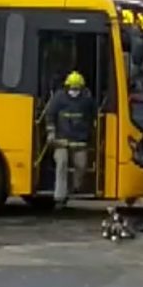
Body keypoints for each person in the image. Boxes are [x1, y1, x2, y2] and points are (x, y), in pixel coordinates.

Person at [46, 71, 96, 208]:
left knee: (82, 165)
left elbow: (93, 117)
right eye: (72, 88)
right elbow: (50, 116)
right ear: (67, 87)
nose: (74, 91)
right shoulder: (58, 98)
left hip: (80, 142)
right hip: (61, 142)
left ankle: (74, 187)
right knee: (61, 163)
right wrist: (51, 133)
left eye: (77, 88)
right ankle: (59, 197)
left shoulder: (87, 101)